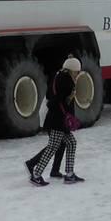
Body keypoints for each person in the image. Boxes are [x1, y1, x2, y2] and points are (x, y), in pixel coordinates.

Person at [26, 56, 84, 185]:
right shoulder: (67, 82)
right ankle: (36, 175)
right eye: (77, 72)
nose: (78, 74)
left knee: (71, 143)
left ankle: (69, 174)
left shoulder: (58, 76)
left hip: (57, 120)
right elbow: (58, 101)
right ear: (72, 70)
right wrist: (68, 113)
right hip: (58, 121)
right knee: (53, 147)